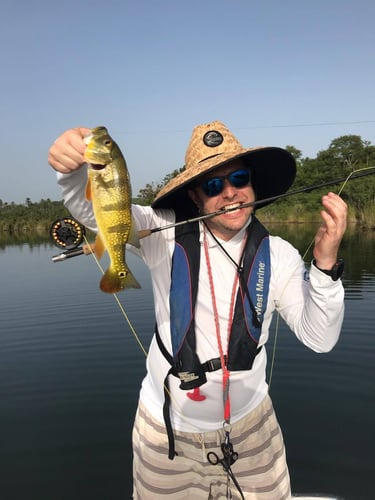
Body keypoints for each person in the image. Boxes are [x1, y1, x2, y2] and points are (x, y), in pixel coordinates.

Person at [48, 121, 347, 500]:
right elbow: (95, 211)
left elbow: (320, 339)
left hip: (253, 425)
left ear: (252, 184)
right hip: (165, 432)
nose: (230, 193)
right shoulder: (161, 233)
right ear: (195, 196)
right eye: (213, 185)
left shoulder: (281, 255)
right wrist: (69, 169)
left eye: (239, 178)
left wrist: (324, 266)